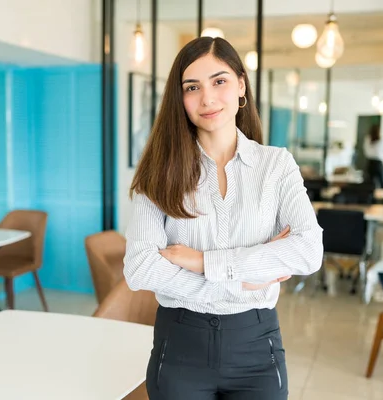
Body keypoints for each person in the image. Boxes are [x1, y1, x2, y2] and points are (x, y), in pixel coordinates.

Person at [123, 36, 323, 400]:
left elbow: (308, 251)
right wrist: (241, 279)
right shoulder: (159, 172)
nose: (208, 98)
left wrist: (202, 262)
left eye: (219, 81)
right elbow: (140, 268)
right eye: (192, 87)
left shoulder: (276, 165)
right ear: (179, 99)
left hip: (257, 347)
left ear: (241, 85)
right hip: (181, 344)